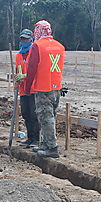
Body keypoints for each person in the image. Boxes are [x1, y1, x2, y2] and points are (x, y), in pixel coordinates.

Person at [26, 20, 65, 158]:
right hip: (56, 87)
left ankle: (52, 147)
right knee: (50, 116)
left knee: (45, 117)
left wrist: (27, 86)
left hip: (43, 87)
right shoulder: (59, 46)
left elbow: (31, 68)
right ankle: (45, 144)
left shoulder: (37, 46)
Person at [14, 28, 40, 147]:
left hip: (34, 88)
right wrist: (17, 79)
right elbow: (17, 69)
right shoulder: (19, 55)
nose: (24, 41)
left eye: (26, 39)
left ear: (31, 39)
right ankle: (29, 138)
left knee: (34, 114)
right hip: (23, 89)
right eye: (22, 39)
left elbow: (37, 70)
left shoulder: (34, 53)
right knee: (26, 114)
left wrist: (26, 75)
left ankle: (36, 139)